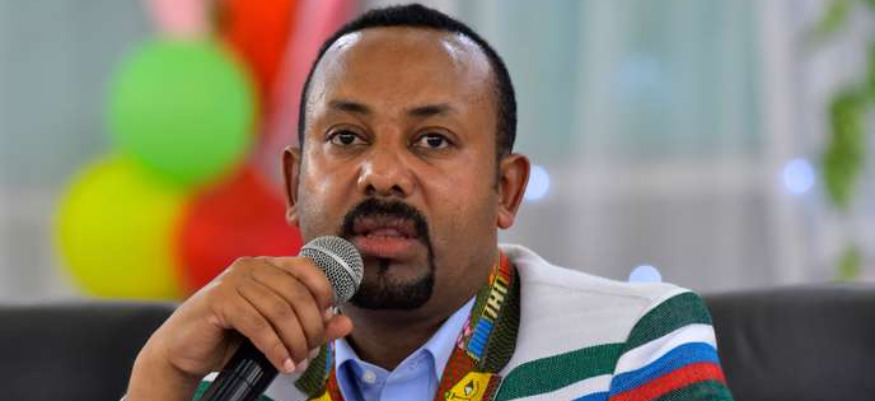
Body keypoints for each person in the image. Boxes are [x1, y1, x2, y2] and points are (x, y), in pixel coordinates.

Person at [125, 4, 735, 401]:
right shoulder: (237, 375)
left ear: (506, 191)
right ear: (292, 185)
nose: (382, 174)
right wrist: (159, 376)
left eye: (433, 140)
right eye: (347, 138)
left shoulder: (633, 340)